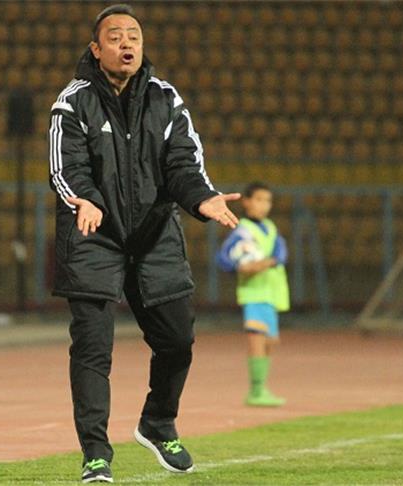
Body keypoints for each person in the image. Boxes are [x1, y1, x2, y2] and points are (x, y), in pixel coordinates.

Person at [48, 4, 240, 483]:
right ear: (96, 49)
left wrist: (202, 199)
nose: (126, 44)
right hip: (93, 234)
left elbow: (183, 164)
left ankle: (158, 422)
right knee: (93, 349)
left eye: (133, 36)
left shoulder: (165, 98)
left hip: (154, 236)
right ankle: (96, 454)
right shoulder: (72, 102)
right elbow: (65, 167)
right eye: (115, 37)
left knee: (178, 340)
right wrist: (85, 199)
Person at [217, 182, 290, 407]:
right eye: (259, 199)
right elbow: (224, 257)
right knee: (257, 340)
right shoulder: (243, 230)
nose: (264, 205)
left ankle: (261, 387)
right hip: (255, 293)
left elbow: (281, 253)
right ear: (247, 202)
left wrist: (269, 261)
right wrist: (241, 266)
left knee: (269, 342)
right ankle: (256, 390)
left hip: (272, 293)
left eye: (267, 201)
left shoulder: (270, 227)